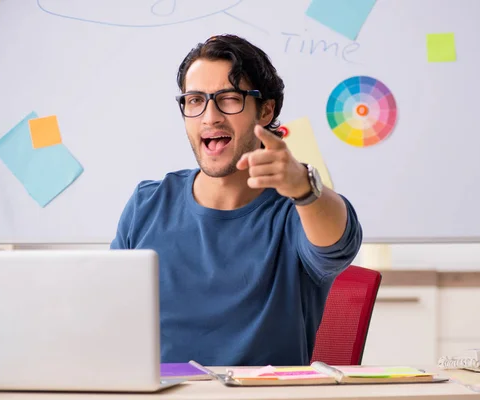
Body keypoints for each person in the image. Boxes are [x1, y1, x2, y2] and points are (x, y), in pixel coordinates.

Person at [110, 34, 362, 366]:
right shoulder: (147, 205)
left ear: (265, 110)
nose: (209, 116)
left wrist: (303, 185)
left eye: (228, 98)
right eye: (195, 100)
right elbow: (111, 316)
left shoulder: (296, 210)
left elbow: (337, 246)